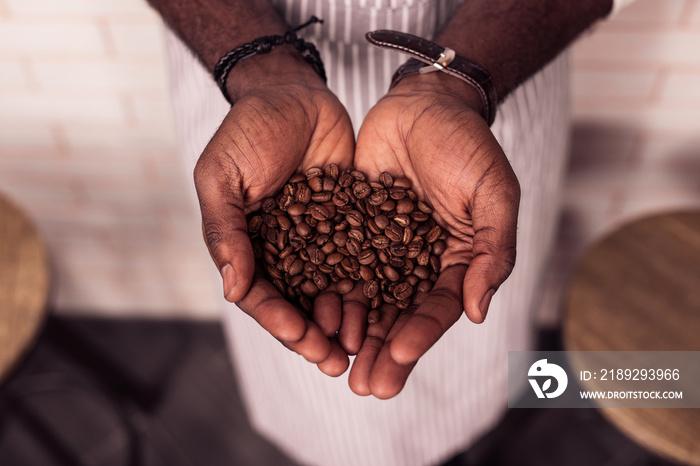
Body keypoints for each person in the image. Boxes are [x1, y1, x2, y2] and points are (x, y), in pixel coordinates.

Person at [147, 0, 634, 464]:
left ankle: (474, 435)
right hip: (251, 108)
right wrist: (263, 72)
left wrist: (455, 86)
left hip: (488, 90)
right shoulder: (299, 208)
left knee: (470, 333)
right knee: (304, 350)